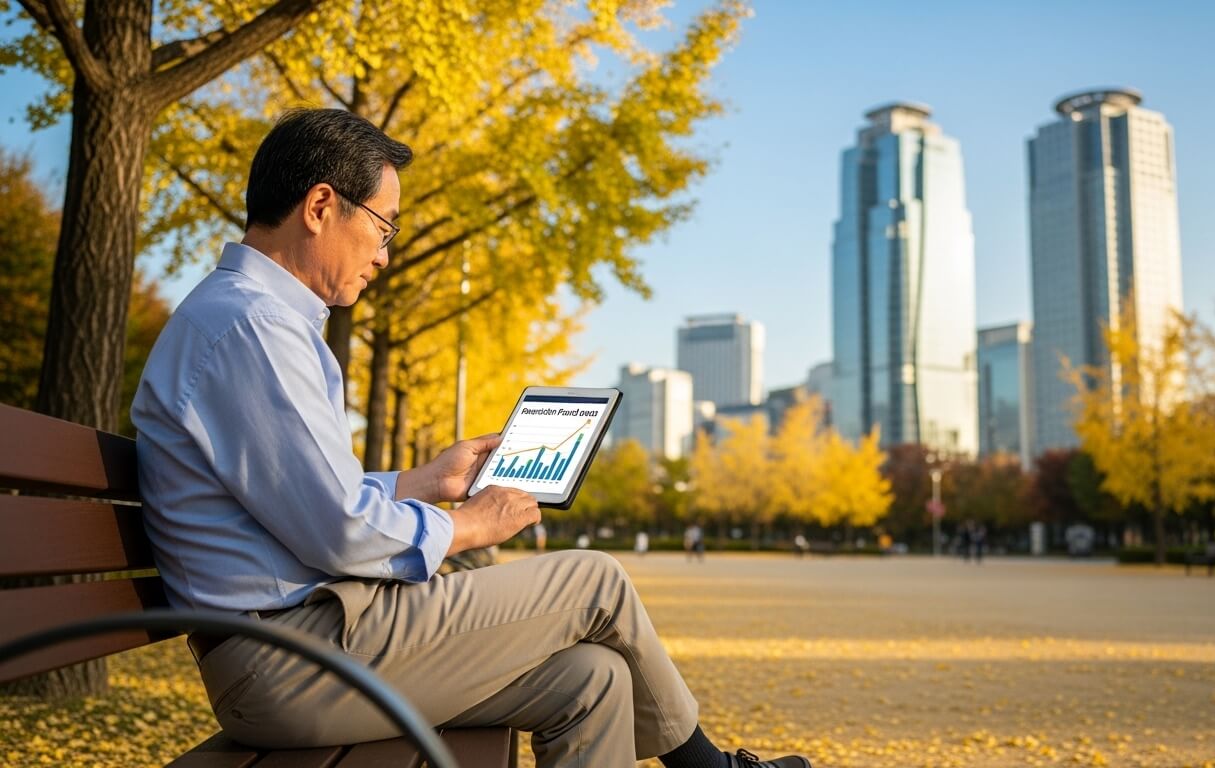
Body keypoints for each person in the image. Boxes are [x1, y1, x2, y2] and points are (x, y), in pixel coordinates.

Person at [131, 109, 808, 768]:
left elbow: (294, 499)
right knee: (594, 579)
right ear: (319, 207)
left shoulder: (248, 319)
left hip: (308, 642)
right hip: (294, 658)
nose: (386, 256)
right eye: (383, 226)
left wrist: (423, 484)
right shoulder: (253, 327)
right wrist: (468, 525)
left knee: (593, 677)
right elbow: (335, 529)